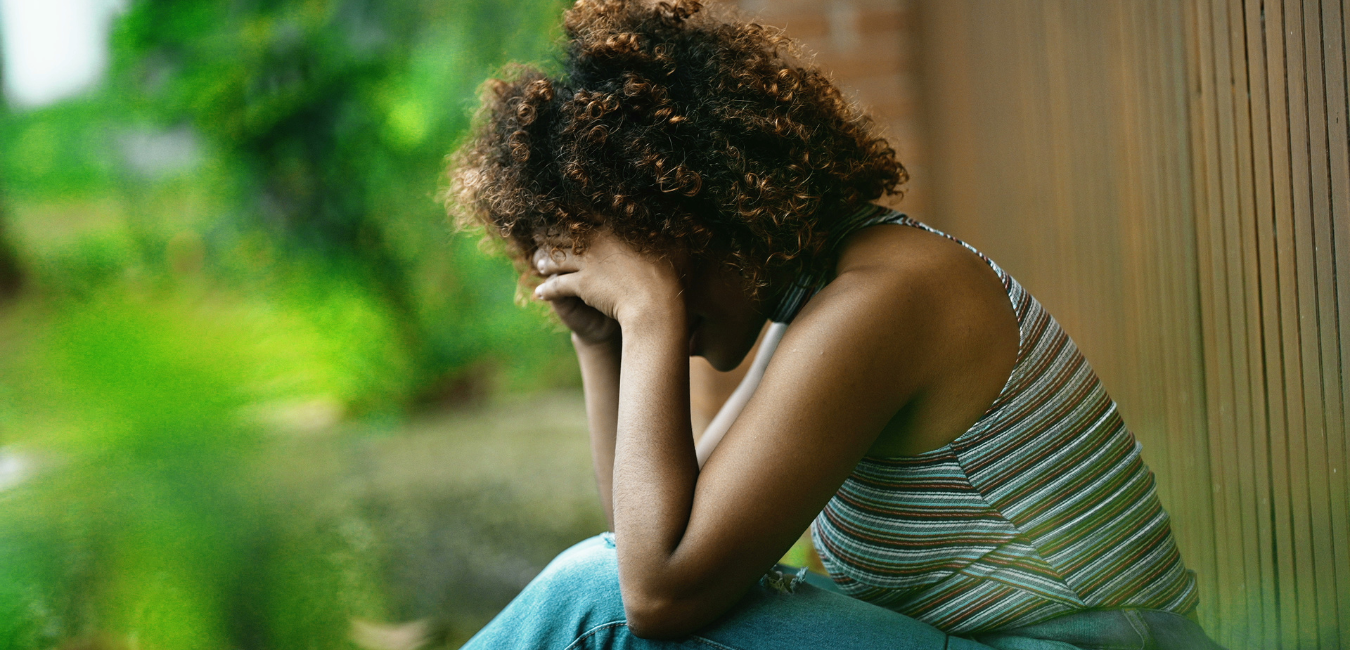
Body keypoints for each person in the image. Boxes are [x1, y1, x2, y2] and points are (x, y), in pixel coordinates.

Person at [444, 1, 1224, 648]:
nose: (657, 308)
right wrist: (602, 336)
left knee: (590, 598)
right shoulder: (821, 304)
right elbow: (647, 538)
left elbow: (651, 597)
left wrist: (649, 314)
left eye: (650, 270)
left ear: (702, 211)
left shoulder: (883, 300)